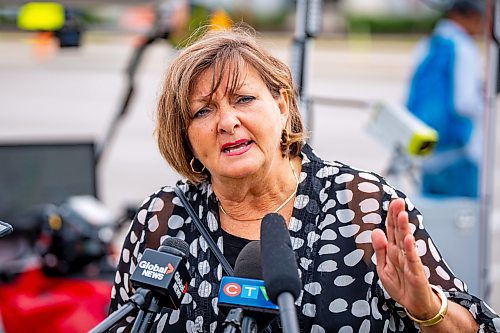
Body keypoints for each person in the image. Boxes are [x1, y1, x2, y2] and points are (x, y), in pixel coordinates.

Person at [109, 25, 500, 332]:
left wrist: (426, 309)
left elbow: (479, 327)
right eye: (202, 112)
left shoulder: (363, 204)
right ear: (186, 136)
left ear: (281, 106)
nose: (227, 122)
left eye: (244, 99)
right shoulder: (162, 218)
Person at [406, 0, 484, 198]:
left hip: (430, 151)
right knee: (463, 221)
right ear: (466, 15)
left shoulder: (429, 42)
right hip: (460, 153)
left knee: (431, 222)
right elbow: (464, 103)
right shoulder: (464, 47)